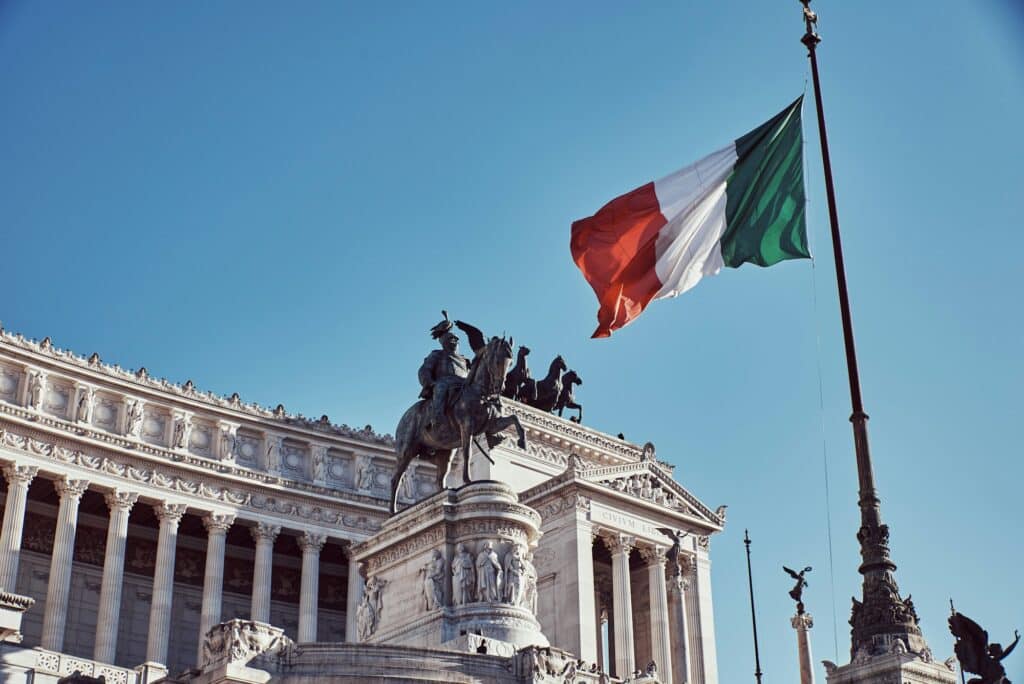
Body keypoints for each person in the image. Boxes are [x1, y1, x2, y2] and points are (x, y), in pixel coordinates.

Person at [418, 312, 469, 430]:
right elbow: (424, 370)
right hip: (444, 383)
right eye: (451, 339)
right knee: (441, 387)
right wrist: (430, 382)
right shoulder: (437, 355)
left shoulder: (465, 360)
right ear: (445, 341)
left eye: (456, 339)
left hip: (463, 385)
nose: (454, 341)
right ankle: (437, 417)